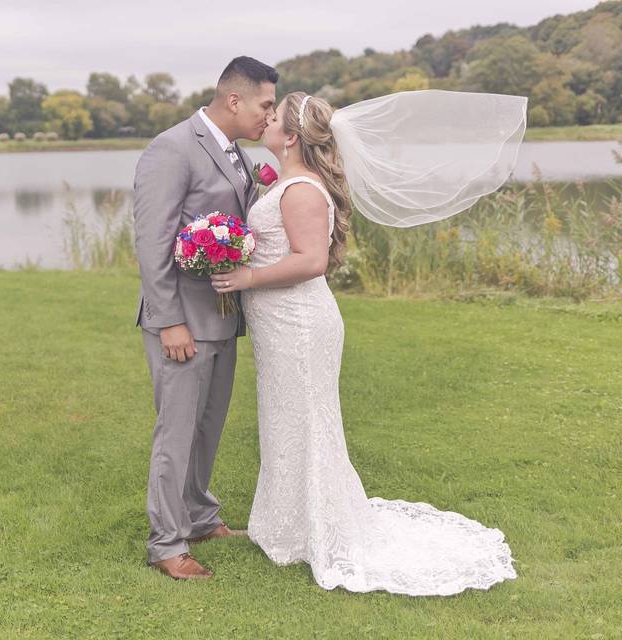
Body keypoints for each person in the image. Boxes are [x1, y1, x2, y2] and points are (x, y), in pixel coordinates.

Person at [210, 92, 518, 595]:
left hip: (299, 323)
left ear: (290, 137)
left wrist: (246, 276)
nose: (264, 120)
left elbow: (312, 261)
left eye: (274, 116)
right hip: (282, 326)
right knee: (287, 420)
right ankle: (287, 525)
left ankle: (316, 531)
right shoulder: (286, 181)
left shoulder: (303, 190)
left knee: (306, 421)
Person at [133, 56, 277, 580]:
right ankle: (167, 545)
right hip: (183, 322)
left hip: (222, 315)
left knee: (208, 426)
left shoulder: (236, 152)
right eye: (265, 105)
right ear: (233, 100)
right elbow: (152, 242)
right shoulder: (170, 149)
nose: (269, 116)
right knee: (177, 431)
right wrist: (169, 319)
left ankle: (198, 515)